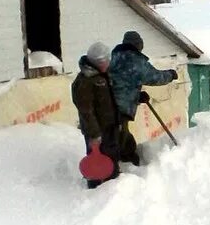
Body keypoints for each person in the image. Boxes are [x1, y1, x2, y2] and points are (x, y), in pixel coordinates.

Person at [108, 31, 178, 166]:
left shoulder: (115, 57)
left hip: (109, 103)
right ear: (137, 45)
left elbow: (122, 81)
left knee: (118, 135)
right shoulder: (136, 61)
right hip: (121, 107)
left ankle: (127, 162)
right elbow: (155, 77)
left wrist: (135, 95)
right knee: (119, 139)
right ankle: (122, 167)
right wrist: (171, 74)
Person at [71, 41, 120, 188]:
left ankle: (114, 184)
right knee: (98, 161)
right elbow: (86, 110)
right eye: (106, 60)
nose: (109, 63)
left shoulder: (101, 75)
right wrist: (94, 133)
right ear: (97, 62)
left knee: (111, 157)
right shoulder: (84, 82)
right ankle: (96, 189)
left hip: (109, 126)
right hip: (97, 130)